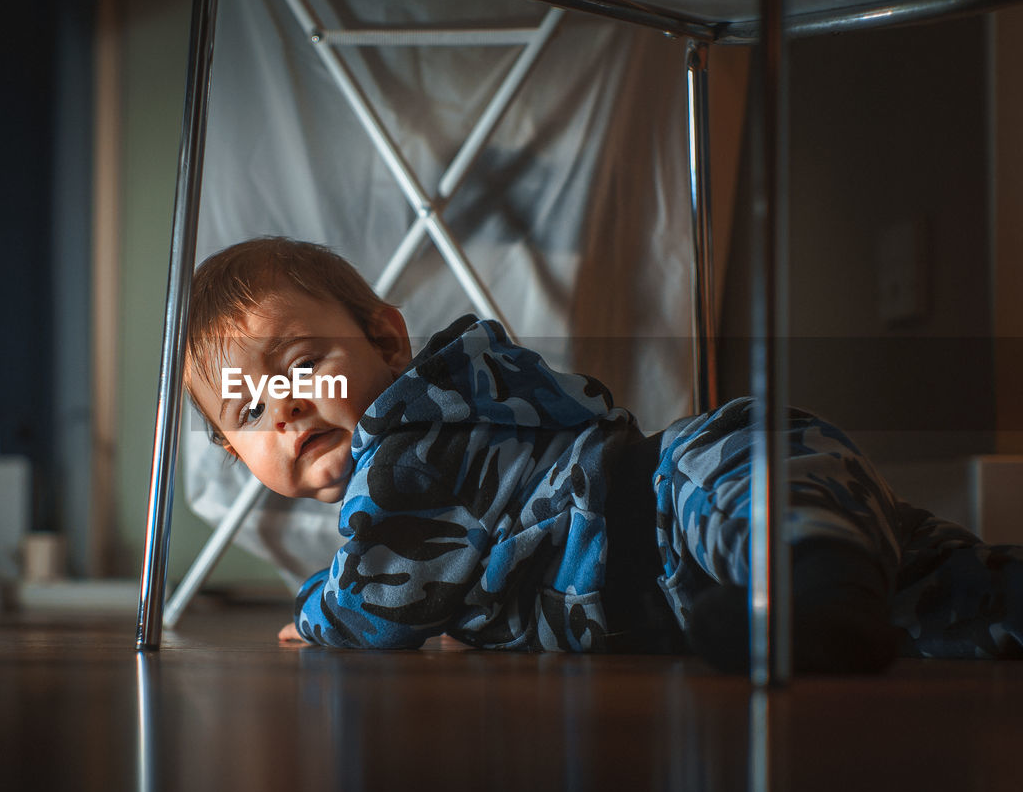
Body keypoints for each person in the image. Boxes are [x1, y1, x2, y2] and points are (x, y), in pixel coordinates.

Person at [185, 237, 1023, 670]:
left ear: (387, 340)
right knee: (940, 589)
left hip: (670, 503)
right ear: (232, 451)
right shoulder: (415, 461)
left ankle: (813, 598)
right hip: (680, 588)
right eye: (250, 409)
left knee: (763, 504)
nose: (289, 405)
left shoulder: (405, 448)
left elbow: (384, 601)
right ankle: (852, 601)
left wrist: (316, 618)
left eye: (303, 365)